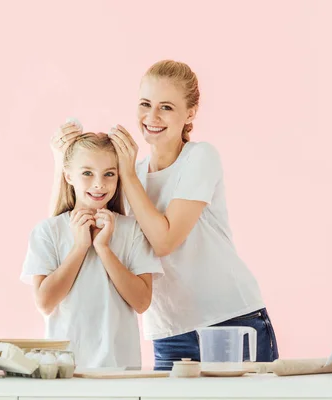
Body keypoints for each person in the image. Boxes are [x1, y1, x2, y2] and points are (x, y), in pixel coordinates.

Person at [50, 60, 279, 370]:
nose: (152, 117)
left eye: (166, 107)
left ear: (190, 113)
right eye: (145, 104)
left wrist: (129, 175)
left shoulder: (199, 158)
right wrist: (60, 164)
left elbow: (164, 241)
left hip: (231, 320)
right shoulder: (131, 172)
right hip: (169, 331)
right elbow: (71, 221)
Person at [22, 132, 163, 368]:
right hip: (64, 370)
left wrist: (104, 249)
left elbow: (141, 302)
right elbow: (45, 302)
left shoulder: (132, 230)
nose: (99, 183)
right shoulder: (48, 231)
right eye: (87, 173)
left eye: (109, 174)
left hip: (120, 369)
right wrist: (80, 247)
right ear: (68, 176)